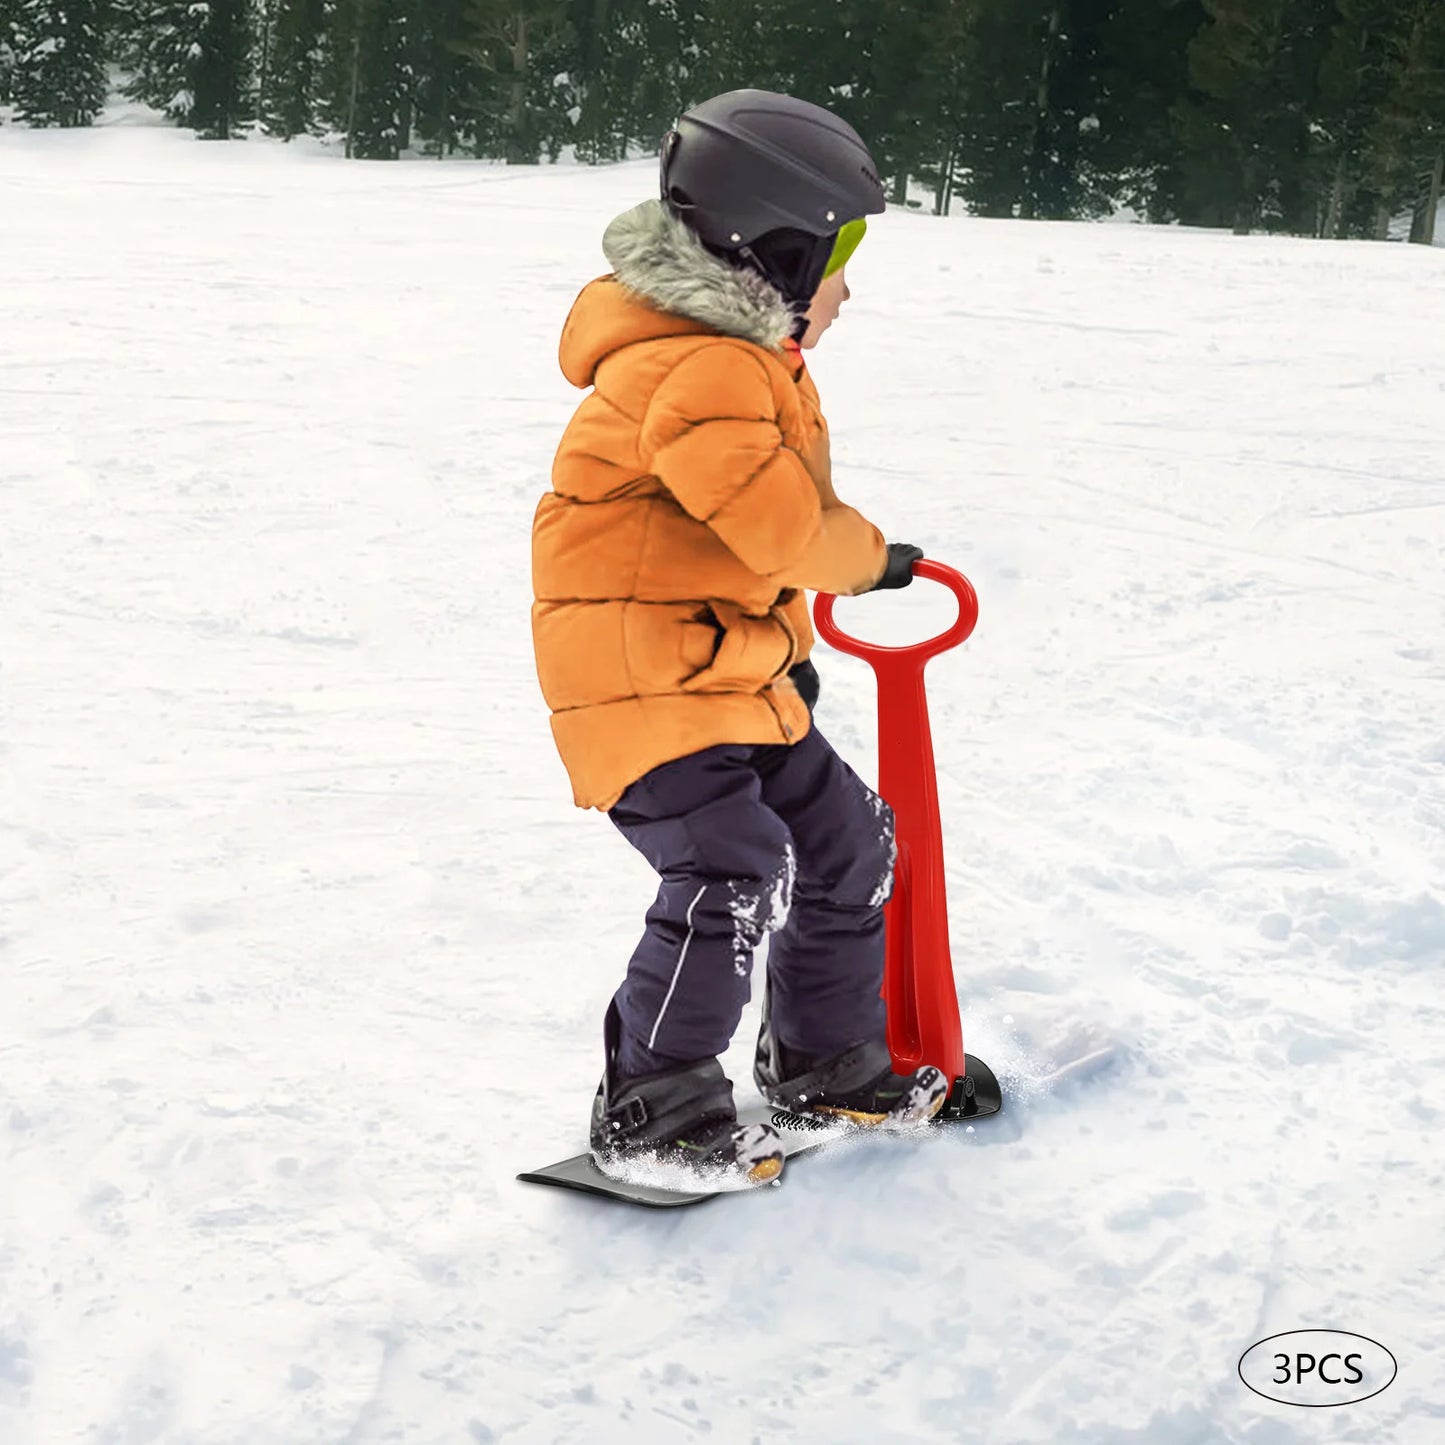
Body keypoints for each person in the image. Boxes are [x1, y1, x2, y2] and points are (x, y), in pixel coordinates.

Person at [532, 90, 946, 1187]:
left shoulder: (735, 357)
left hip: (723, 672)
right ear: (775, 249)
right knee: (732, 865)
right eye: (839, 255)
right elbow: (774, 525)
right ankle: (653, 1103)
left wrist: (788, 643)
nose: (848, 285)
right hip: (642, 687)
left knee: (846, 838)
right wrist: (870, 560)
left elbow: (721, 542)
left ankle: (823, 1056)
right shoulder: (697, 365)